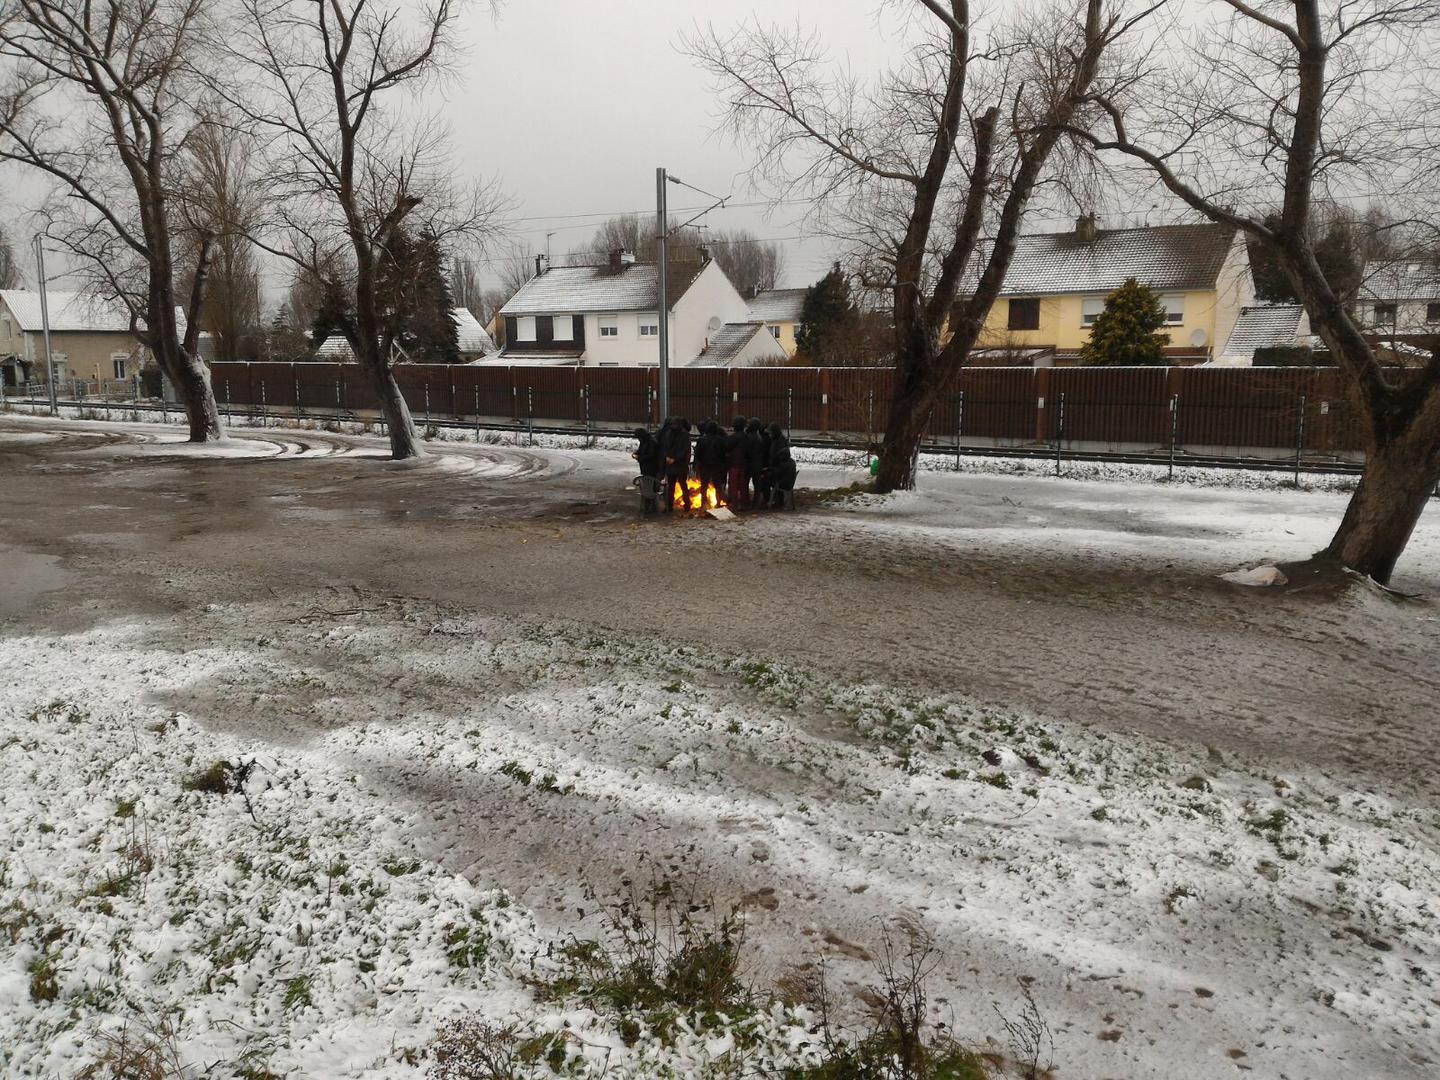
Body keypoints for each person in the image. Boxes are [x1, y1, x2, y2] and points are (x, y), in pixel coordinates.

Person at [765, 422, 798, 509]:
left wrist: (769, 470)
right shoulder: (789, 461)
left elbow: (778, 470)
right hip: (785, 479)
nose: (769, 435)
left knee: (764, 479)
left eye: (770, 433)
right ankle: (777, 500)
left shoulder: (779, 444)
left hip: (782, 481)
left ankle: (770, 500)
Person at [662, 417, 692, 511]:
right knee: (678, 486)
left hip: (675, 464)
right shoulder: (683, 434)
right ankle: (683, 505)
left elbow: (666, 448)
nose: (673, 426)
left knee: (675, 486)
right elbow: (685, 450)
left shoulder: (670, 433)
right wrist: (670, 458)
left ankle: (672, 506)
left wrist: (669, 458)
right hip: (679, 464)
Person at [694, 420, 727, 505]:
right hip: (717, 466)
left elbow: (698, 453)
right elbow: (723, 454)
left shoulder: (701, 440)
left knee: (704, 486)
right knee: (717, 485)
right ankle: (718, 502)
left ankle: (703, 504)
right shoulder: (720, 440)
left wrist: (699, 464)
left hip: (705, 466)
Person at [632, 427, 661, 514]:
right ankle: (648, 506)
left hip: (652, 468)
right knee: (647, 487)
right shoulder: (645, 441)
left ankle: (652, 506)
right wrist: (637, 453)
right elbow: (641, 450)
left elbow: (651, 455)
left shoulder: (651, 442)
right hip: (645, 467)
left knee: (651, 487)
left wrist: (640, 457)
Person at [725, 416, 750, 510]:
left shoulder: (733, 437)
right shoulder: (747, 437)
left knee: (733, 485)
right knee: (743, 485)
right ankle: (744, 504)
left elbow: (727, 448)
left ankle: (734, 503)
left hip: (734, 464)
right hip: (744, 464)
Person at [747, 417, 771, 509]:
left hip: (751, 463)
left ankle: (751, 501)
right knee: (757, 484)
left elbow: (748, 451)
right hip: (758, 463)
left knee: (748, 483)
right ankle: (756, 501)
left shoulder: (751, 437)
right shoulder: (760, 437)